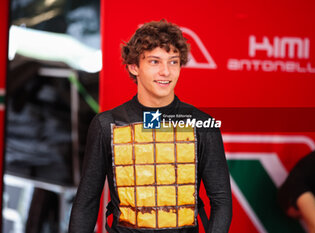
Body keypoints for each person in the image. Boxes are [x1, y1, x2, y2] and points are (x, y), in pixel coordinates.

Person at [69, 20, 232, 233]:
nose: (166, 72)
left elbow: (221, 201)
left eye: (173, 62)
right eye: (155, 62)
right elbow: (87, 203)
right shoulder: (106, 124)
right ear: (134, 66)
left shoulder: (202, 125)